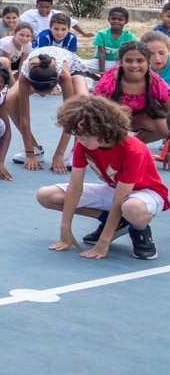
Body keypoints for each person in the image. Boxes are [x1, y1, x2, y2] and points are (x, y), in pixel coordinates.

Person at [36, 95, 162, 261]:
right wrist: (65, 229)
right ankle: (117, 223)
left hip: (145, 193)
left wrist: (104, 240)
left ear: (104, 128)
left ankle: (140, 231)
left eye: (86, 134)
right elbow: (75, 187)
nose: (81, 140)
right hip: (112, 189)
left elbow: (120, 199)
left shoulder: (133, 150)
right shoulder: (83, 145)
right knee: (46, 196)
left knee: (131, 208)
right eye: (77, 134)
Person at [93, 40, 169, 144]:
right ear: (121, 62)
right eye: (128, 61)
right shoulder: (108, 82)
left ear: (149, 62)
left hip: (139, 118)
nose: (134, 65)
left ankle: (133, 146)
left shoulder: (156, 83)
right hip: (110, 119)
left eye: (140, 61)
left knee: (164, 126)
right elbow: (96, 111)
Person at [93, 7, 135, 74]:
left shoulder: (129, 36)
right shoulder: (101, 34)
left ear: (126, 21)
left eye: (120, 19)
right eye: (113, 19)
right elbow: (101, 53)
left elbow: (130, 54)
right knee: (83, 66)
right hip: (102, 62)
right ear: (109, 19)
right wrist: (102, 72)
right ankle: (96, 79)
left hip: (118, 63)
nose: (116, 21)